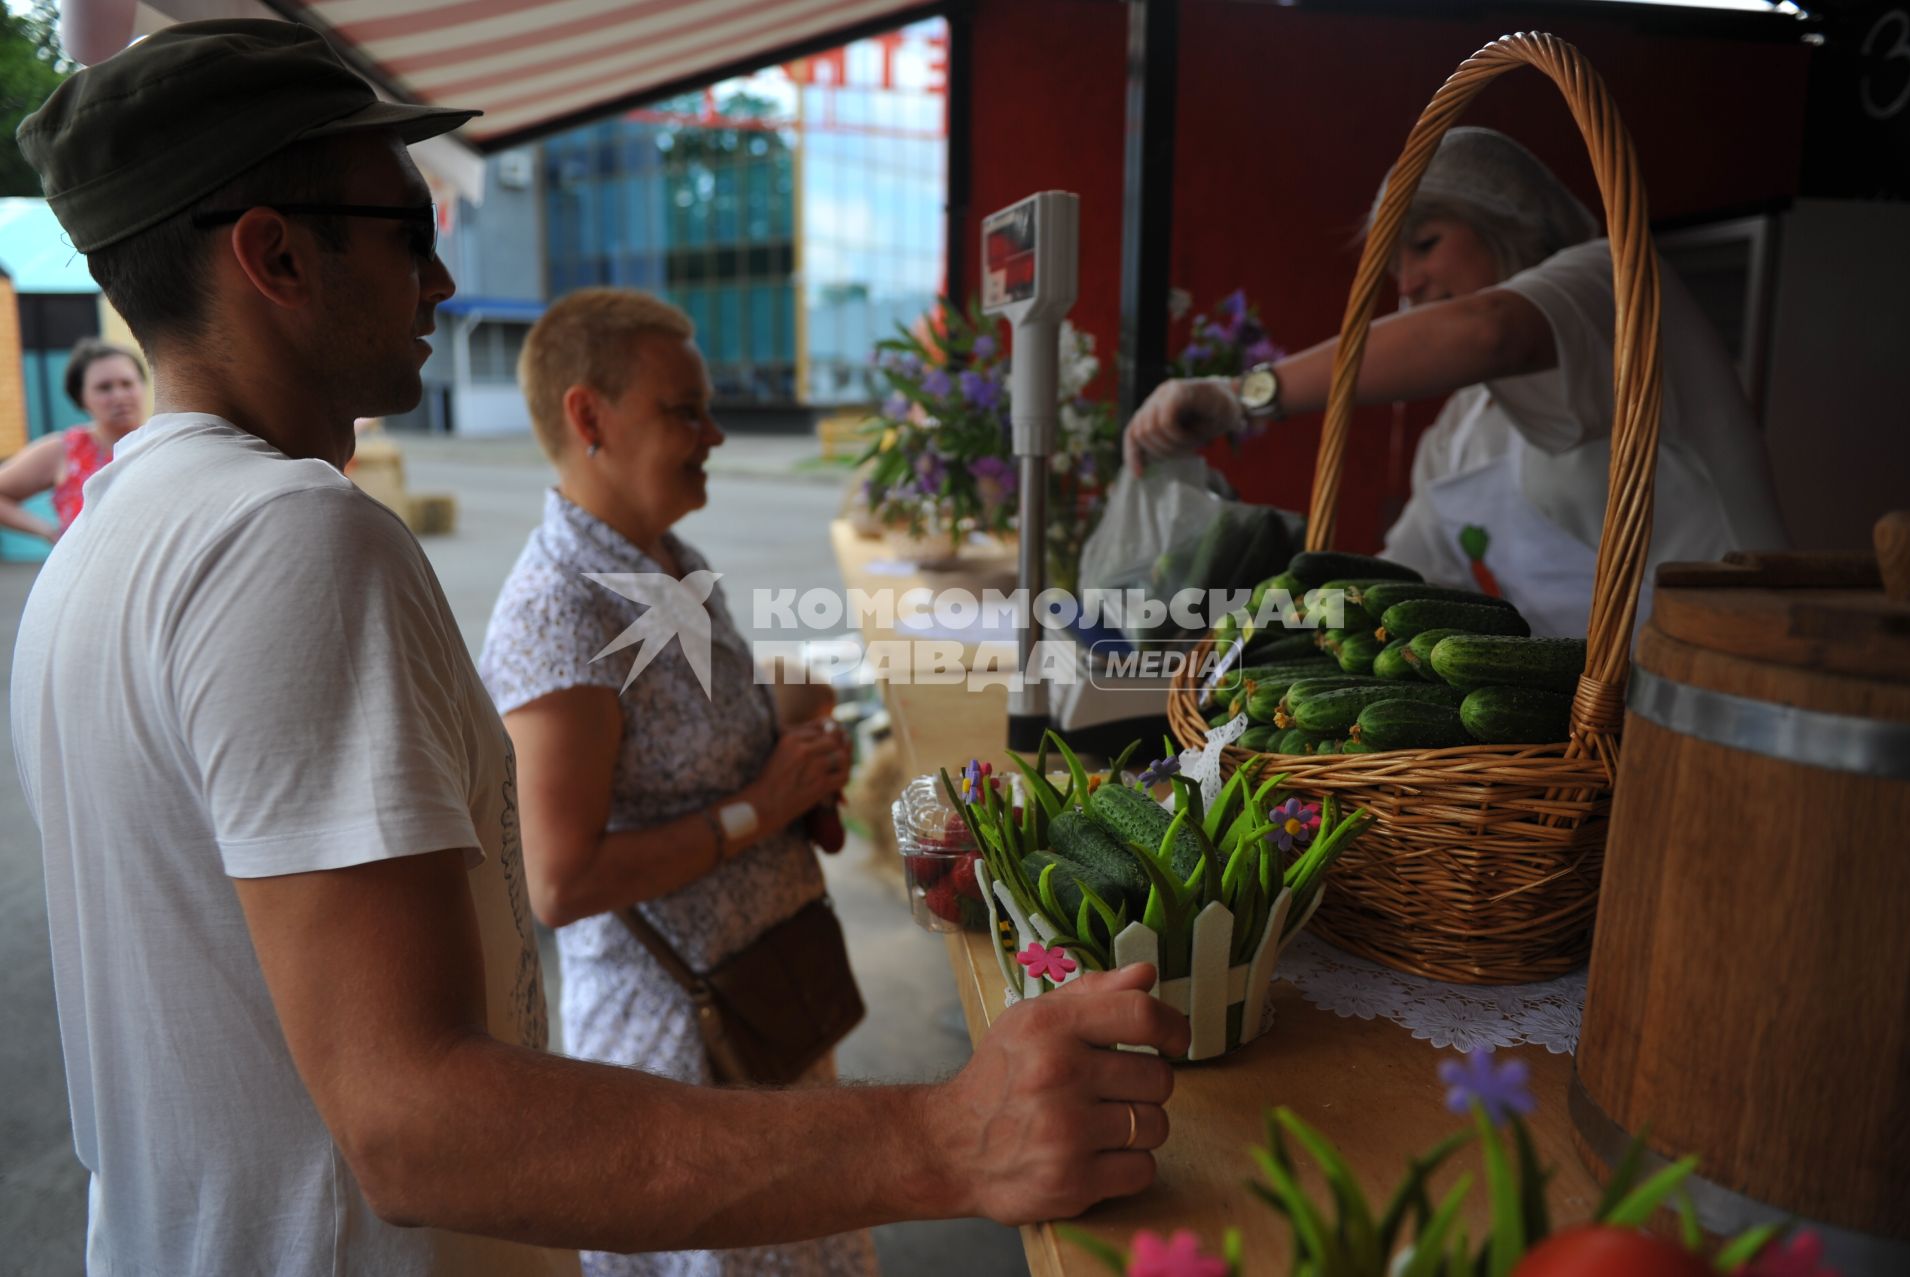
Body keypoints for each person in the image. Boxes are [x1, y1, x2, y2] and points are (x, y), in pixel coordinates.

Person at [9, 20, 1186, 1277]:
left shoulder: (99, 544)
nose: (443, 284)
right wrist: (953, 1135)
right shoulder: (290, 537)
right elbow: (413, 1128)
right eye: (411, 234)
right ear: (277, 253)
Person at [480, 288, 875, 1277]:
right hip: (682, 1050)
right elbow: (560, 881)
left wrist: (778, 726)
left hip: (763, 1011)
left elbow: (682, 740)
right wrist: (763, 804)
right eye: (684, 409)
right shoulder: (558, 611)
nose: (717, 432)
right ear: (588, 416)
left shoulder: (664, 556)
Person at [1125, 127, 1787, 637]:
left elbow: (1487, 331)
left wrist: (1244, 395)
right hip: (1600, 734)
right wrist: (1255, 616)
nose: (1405, 284)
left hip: (1735, 675)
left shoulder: (1611, 281)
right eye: (1393, 265)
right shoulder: (1460, 428)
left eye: (1426, 243)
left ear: (1511, 224)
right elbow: (1409, 577)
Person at [0, 338, 146, 541]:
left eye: (127, 383)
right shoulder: (65, 450)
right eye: (104, 388)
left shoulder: (167, 442)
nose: (119, 395)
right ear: (81, 398)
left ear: (143, 386)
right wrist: (49, 532)